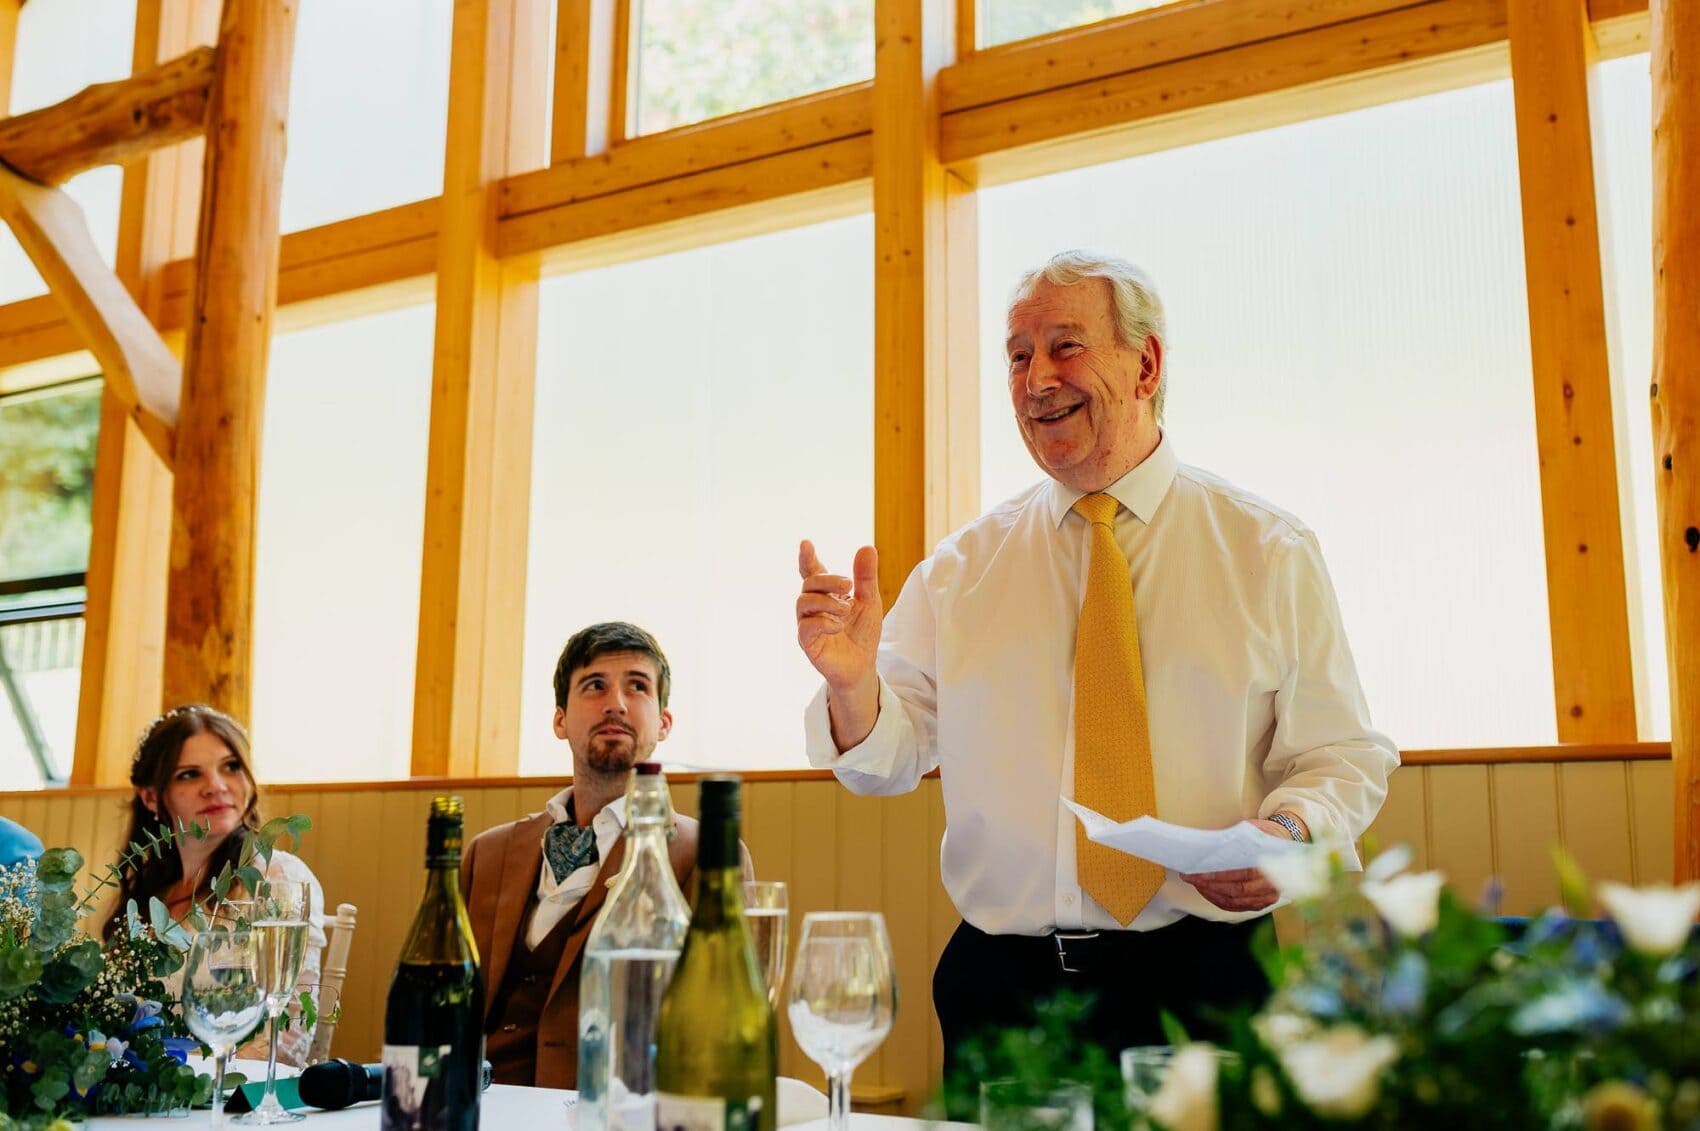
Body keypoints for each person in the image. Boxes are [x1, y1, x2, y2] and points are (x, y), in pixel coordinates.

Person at [796, 250, 1399, 1064]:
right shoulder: (961, 569)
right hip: (1002, 989)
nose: (1036, 377)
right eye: (1017, 355)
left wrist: (1287, 831)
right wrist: (852, 686)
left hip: (1201, 983)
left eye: (1064, 345)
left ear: (1145, 362)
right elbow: (886, 761)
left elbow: (1343, 755)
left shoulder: (1269, 550)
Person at [461, 621, 750, 1089]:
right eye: (594, 685)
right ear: (559, 719)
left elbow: (720, 1024)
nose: (615, 702)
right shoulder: (486, 855)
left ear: (663, 722)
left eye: (637, 687)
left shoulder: (704, 855)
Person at [104, 704, 327, 1067]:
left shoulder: (278, 880)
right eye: (190, 774)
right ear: (150, 796)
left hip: (236, 1099)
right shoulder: (148, 895)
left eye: (231, 766)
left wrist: (205, 1085)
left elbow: (287, 1032)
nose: (217, 786)